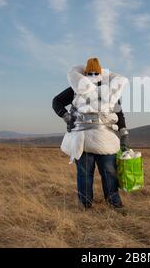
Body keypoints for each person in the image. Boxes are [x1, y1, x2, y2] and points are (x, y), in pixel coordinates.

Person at [52, 57, 129, 209]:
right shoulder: (76, 89)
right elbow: (56, 101)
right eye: (90, 72)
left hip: (105, 138)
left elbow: (119, 114)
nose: (93, 75)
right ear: (85, 72)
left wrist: (124, 135)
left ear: (100, 72)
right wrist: (67, 117)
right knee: (86, 174)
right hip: (83, 139)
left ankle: (114, 204)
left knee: (109, 173)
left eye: (95, 72)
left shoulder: (110, 90)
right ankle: (86, 205)